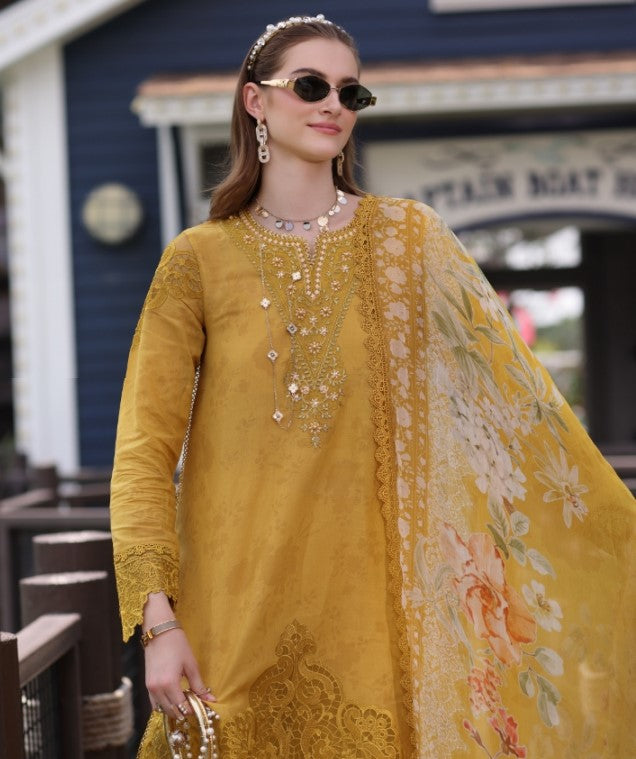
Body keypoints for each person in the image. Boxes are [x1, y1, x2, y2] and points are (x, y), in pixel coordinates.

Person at [109, 14, 635, 759]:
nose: (334, 104)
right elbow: (142, 455)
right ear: (256, 101)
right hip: (231, 614)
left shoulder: (408, 242)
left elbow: (516, 412)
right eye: (310, 85)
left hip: (382, 625)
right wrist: (158, 625)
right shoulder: (198, 260)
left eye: (350, 92)